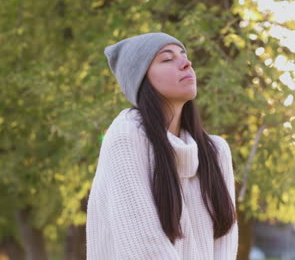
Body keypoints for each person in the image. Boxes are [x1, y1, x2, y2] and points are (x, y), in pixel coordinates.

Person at [86, 32, 239, 259]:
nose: (186, 64)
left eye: (184, 56)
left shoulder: (215, 151)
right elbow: (142, 246)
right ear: (141, 80)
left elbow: (224, 243)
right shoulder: (126, 136)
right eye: (167, 59)